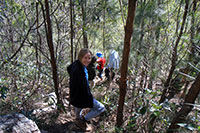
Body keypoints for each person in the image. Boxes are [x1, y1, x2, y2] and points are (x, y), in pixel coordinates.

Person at [67, 48, 105, 131]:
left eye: (89, 58)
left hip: (74, 94)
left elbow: (68, 68)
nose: (87, 60)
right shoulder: (80, 71)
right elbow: (84, 88)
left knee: (78, 106)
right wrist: (90, 98)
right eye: (85, 57)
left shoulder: (76, 64)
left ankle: (78, 119)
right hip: (81, 95)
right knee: (101, 108)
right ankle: (84, 120)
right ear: (80, 57)